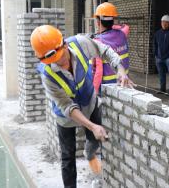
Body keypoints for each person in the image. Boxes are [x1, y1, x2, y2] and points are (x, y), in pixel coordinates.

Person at [31, 25, 134, 188]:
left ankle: (90, 154)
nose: (59, 62)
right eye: (53, 61)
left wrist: (120, 70)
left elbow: (105, 51)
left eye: (61, 56)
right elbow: (67, 106)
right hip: (66, 117)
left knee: (94, 138)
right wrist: (91, 125)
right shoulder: (47, 75)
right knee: (67, 157)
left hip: (89, 102)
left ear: (64, 44)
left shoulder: (80, 44)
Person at [91, 2, 130, 92]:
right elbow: (124, 27)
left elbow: (98, 71)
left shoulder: (98, 42)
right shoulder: (122, 34)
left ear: (98, 21)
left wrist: (95, 91)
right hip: (123, 81)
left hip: (106, 87)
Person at [153, 15, 169, 93]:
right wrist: (155, 54)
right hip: (159, 57)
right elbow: (155, 44)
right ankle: (162, 89)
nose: (164, 24)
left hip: (168, 58)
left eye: (166, 22)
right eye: (162, 22)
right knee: (161, 74)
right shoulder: (158, 33)